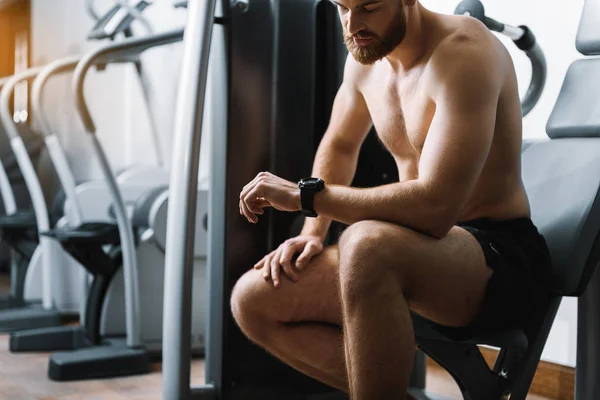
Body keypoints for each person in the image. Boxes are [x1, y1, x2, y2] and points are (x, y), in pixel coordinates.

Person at [231, 0, 552, 399]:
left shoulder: (465, 52)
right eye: (342, 8)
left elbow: (436, 208)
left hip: (496, 256)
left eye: (369, 7)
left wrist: (305, 197)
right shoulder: (365, 58)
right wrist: (313, 230)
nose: (353, 24)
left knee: (366, 244)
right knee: (255, 300)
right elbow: (342, 144)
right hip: (405, 248)